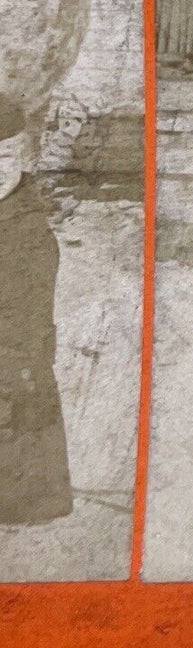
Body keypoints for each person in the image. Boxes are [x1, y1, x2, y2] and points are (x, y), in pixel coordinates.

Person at [0, 98, 72, 526]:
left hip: (19, 344)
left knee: (23, 395)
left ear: (24, 156)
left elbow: (29, 305)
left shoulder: (27, 225)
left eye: (7, 156)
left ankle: (29, 497)